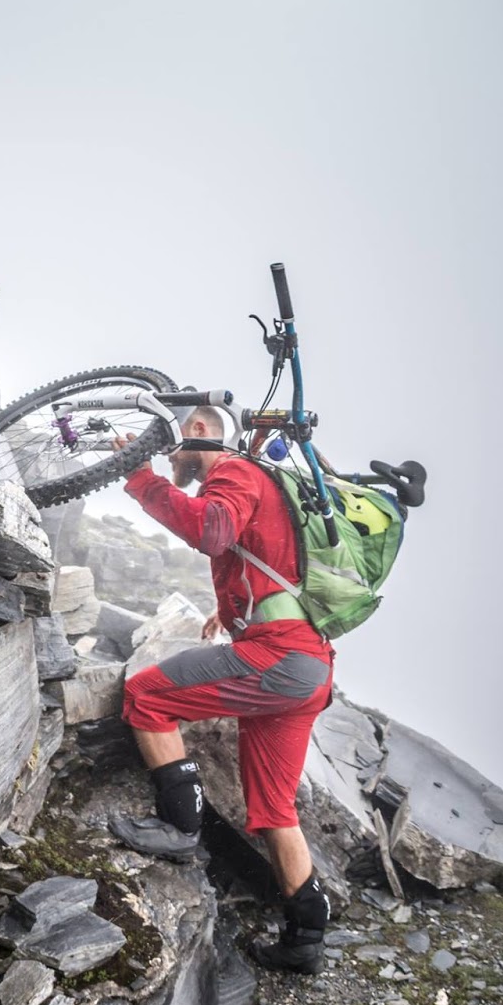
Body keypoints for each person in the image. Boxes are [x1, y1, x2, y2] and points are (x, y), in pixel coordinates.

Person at [111, 406, 334, 975]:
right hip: (308, 666)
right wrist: (226, 608)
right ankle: (306, 936)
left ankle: (178, 828)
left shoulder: (233, 470)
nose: (167, 456)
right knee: (275, 810)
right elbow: (260, 555)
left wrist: (139, 477)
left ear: (202, 430)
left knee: (147, 696)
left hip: (279, 656)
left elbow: (212, 531)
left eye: (171, 444)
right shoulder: (260, 482)